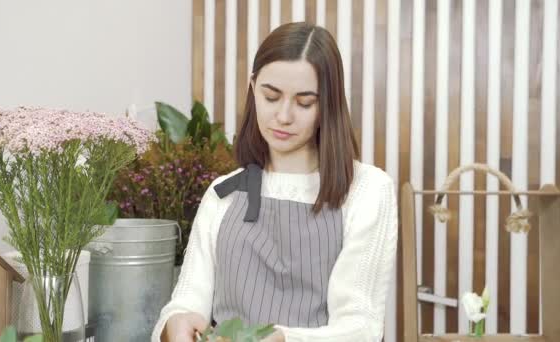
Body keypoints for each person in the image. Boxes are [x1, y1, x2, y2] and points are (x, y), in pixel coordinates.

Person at [152, 22, 397, 342]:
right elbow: (186, 301)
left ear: (328, 104)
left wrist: (283, 338)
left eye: (304, 102)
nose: (283, 116)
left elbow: (360, 326)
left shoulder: (367, 190)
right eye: (271, 96)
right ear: (253, 88)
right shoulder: (223, 193)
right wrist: (174, 324)